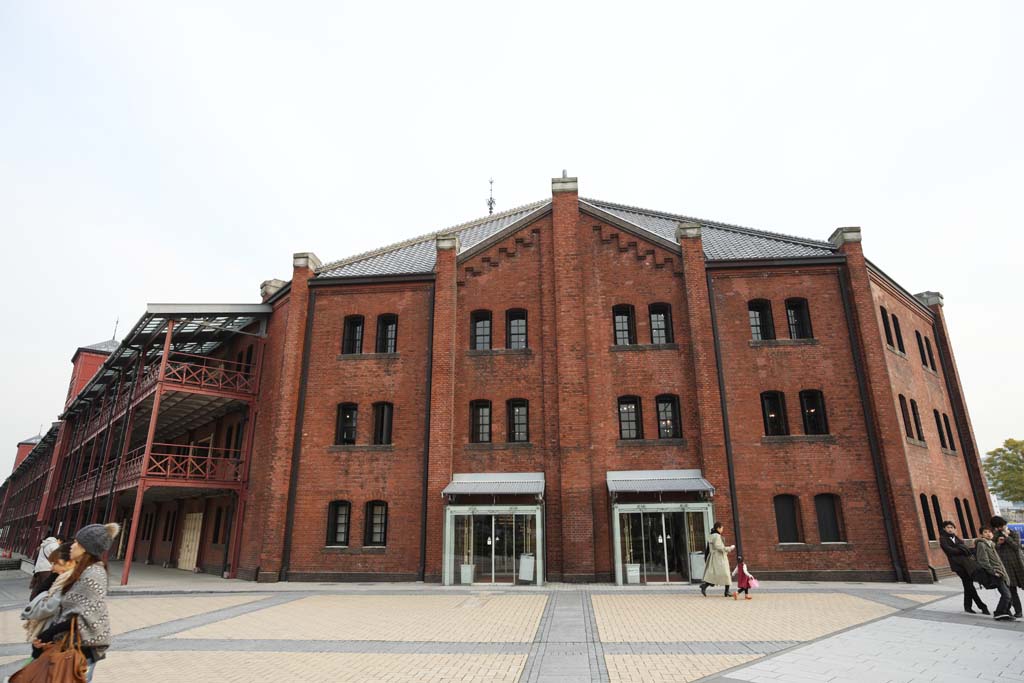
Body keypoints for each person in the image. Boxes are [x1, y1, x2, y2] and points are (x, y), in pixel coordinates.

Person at [34, 523, 119, 682]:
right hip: (71, 645)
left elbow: (81, 616)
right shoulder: (82, 571)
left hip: (82, 648)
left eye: (77, 543)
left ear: (86, 548)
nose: (72, 546)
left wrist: (47, 634)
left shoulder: (93, 575)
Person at [21, 542, 75, 659]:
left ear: (71, 563)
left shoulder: (69, 583)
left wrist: (46, 635)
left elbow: (48, 606)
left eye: (56, 563)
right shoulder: (60, 579)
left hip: (62, 645)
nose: (52, 568)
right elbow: (41, 592)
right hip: (53, 640)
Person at [938, 520, 988, 615]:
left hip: (966, 565)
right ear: (944, 529)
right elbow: (950, 551)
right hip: (958, 566)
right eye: (948, 527)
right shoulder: (943, 539)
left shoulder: (956, 538)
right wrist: (961, 549)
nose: (950, 529)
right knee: (969, 585)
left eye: (952, 527)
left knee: (967, 585)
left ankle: (968, 606)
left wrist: (962, 549)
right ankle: (982, 606)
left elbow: (965, 549)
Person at [974, 526, 1015, 621]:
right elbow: (983, 561)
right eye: (985, 532)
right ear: (981, 535)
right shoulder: (982, 544)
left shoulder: (991, 543)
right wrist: (993, 572)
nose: (988, 534)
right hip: (996, 573)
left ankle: (1005, 613)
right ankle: (999, 613)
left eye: (990, 532)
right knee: (1007, 595)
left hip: (1001, 572)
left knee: (1008, 594)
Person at [991, 515, 1024, 618]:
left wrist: (1007, 537)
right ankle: (1018, 611)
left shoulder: (1014, 533)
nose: (1000, 528)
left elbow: (1016, 547)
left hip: (1018, 564)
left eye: (1002, 526)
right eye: (998, 527)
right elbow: (993, 549)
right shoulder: (995, 535)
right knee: (1012, 590)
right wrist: (999, 543)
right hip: (1006, 566)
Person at [699, 521, 735, 598]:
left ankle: (704, 586)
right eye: (722, 528)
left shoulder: (711, 535)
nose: (722, 530)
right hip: (719, 558)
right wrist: (729, 548)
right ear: (718, 528)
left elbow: (710, 548)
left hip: (714, 557)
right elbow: (719, 547)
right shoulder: (717, 536)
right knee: (726, 574)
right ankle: (727, 591)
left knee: (714, 574)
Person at [28, 529, 61, 600]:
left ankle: (32, 600)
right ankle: (41, 601)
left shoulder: (44, 545)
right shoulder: (54, 545)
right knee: (46, 586)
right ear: (59, 540)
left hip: (39, 568)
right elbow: (58, 556)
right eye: (61, 542)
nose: (60, 544)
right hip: (47, 568)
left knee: (38, 586)